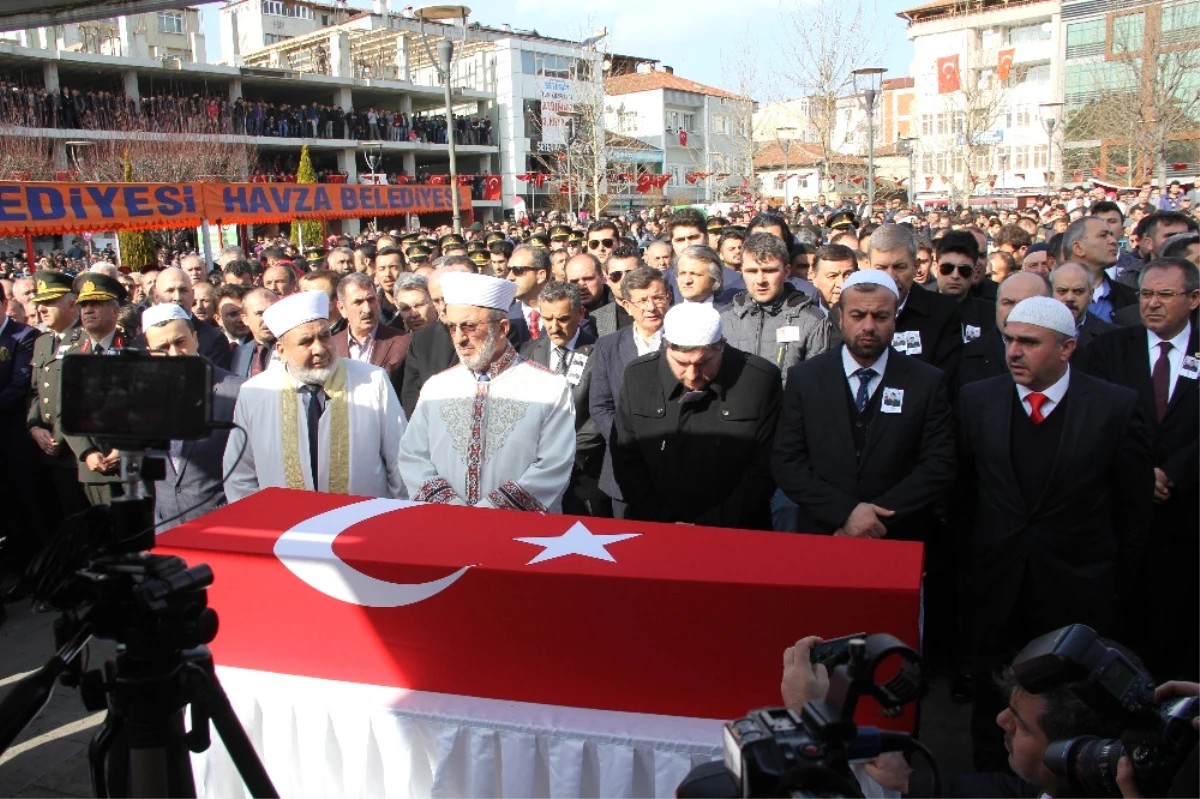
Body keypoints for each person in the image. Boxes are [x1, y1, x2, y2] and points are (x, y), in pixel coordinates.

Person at [956, 295, 1152, 770]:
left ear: (1067, 349)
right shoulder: (977, 398)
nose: (1014, 352)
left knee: (1070, 708)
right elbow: (963, 497)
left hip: (1077, 590)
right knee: (993, 704)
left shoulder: (1114, 407)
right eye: (1009, 340)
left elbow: (1134, 511)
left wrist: (1111, 585)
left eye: (1029, 342)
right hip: (996, 587)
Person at [771, 270, 955, 540]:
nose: (869, 326)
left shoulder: (926, 382)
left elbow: (938, 464)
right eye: (858, 316)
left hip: (896, 534)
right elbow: (787, 461)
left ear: (895, 319)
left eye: (880, 317)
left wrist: (874, 517)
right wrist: (845, 513)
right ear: (841, 318)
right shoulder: (806, 378)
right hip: (825, 532)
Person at [1084, 257, 1200, 681]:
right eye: (1146, 294)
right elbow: (1093, 417)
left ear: (1193, 299)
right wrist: (1140, 473)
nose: (1152, 304)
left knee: (1177, 622)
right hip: (1122, 513)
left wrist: (1175, 471)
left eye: (1165, 295)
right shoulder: (1112, 347)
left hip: (1186, 514)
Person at [398, 272, 575, 511]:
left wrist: (488, 512)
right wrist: (453, 508)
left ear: (502, 328)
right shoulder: (436, 388)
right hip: (448, 524)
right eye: (453, 327)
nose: (460, 338)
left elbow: (553, 466)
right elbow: (413, 456)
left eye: (470, 327)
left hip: (521, 533)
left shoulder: (549, 387)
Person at [224, 290, 408, 500]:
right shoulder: (255, 394)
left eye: (324, 336)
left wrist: (390, 520)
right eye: (306, 342)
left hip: (363, 523)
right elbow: (240, 476)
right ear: (281, 350)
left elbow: (400, 462)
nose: (319, 349)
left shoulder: (372, 380)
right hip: (286, 526)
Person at [612, 302, 781, 529]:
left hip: (736, 529)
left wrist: (710, 525)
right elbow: (626, 456)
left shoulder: (759, 379)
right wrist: (662, 521)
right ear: (666, 347)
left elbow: (765, 468)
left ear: (722, 345)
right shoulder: (639, 377)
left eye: (703, 363)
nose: (692, 374)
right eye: (681, 363)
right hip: (655, 526)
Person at [141, 303, 243, 531]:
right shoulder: (144, 396)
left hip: (224, 528)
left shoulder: (236, 391)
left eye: (180, 342)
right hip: (166, 529)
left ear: (195, 338)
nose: (175, 354)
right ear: (149, 351)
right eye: (163, 347)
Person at [518, 281, 608, 517]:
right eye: (547, 319)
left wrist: (564, 452)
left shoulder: (600, 352)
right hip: (535, 473)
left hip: (584, 472)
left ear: (580, 314)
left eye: (563, 319)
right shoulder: (526, 353)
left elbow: (601, 411)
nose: (554, 327)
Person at [589, 266, 671, 517]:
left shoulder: (683, 343)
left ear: (669, 297)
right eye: (642, 300)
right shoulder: (608, 345)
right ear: (626, 305)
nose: (651, 307)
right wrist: (627, 441)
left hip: (674, 464)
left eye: (657, 297)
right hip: (623, 466)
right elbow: (600, 405)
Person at [24, 271, 89, 530]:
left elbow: (79, 396)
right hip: (48, 451)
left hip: (75, 452)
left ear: (72, 303)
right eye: (39, 303)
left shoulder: (85, 340)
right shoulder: (42, 342)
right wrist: (34, 426)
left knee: (86, 522)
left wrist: (58, 437)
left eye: (49, 302)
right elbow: (34, 392)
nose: (41, 309)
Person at [719, 232, 831, 381]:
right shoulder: (724, 318)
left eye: (769, 270)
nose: (760, 280)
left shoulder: (812, 320)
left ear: (786, 272)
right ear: (742, 271)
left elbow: (817, 383)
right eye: (752, 271)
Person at [62, 274, 129, 506]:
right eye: (83, 305)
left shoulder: (135, 349)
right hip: (94, 468)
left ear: (115, 311)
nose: (88, 310)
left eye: (96, 304)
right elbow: (65, 412)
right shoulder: (72, 355)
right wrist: (87, 452)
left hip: (133, 465)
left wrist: (125, 447)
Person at [866, 224, 964, 380]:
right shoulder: (849, 312)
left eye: (899, 267)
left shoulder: (943, 312)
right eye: (881, 267)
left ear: (915, 266)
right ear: (868, 266)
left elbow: (945, 378)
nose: (891, 277)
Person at [399, 261, 473, 417]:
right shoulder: (421, 340)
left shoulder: (486, 332)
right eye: (436, 301)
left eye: (446, 299)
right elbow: (411, 397)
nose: (442, 307)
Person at [958, 272, 1051, 391]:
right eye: (1008, 303)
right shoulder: (967, 357)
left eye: (1026, 303)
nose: (1016, 312)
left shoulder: (1067, 355)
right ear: (996, 305)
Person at [332, 272, 410, 402]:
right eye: (358, 302)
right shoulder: (332, 347)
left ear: (378, 301)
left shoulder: (403, 343)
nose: (367, 309)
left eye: (371, 300)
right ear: (342, 308)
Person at [151, 267, 233, 369]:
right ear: (156, 296)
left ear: (192, 294)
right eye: (170, 290)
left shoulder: (213, 339)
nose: (178, 297)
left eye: (183, 290)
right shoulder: (141, 341)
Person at [1062, 217, 1138, 324]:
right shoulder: (1045, 294)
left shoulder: (1131, 298)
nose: (1113, 241)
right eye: (1103, 235)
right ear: (1078, 248)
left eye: (1111, 235)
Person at [1049, 261, 1115, 354]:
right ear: (1050, 293)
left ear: (1091, 294)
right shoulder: (1035, 330)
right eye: (1062, 291)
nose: (1070, 298)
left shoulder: (1111, 337)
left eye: (1078, 291)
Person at [505, 244, 552, 345]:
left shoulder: (568, 313)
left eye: (518, 270)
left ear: (541, 275)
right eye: (509, 270)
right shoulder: (506, 318)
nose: (510, 277)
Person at [588, 247, 640, 337]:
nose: (624, 280)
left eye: (631, 274)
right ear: (606, 278)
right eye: (615, 275)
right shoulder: (595, 319)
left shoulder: (658, 311)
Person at [229, 288, 279, 378]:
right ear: (245, 319)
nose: (267, 319)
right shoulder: (238, 354)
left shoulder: (293, 349)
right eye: (259, 313)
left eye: (272, 312)